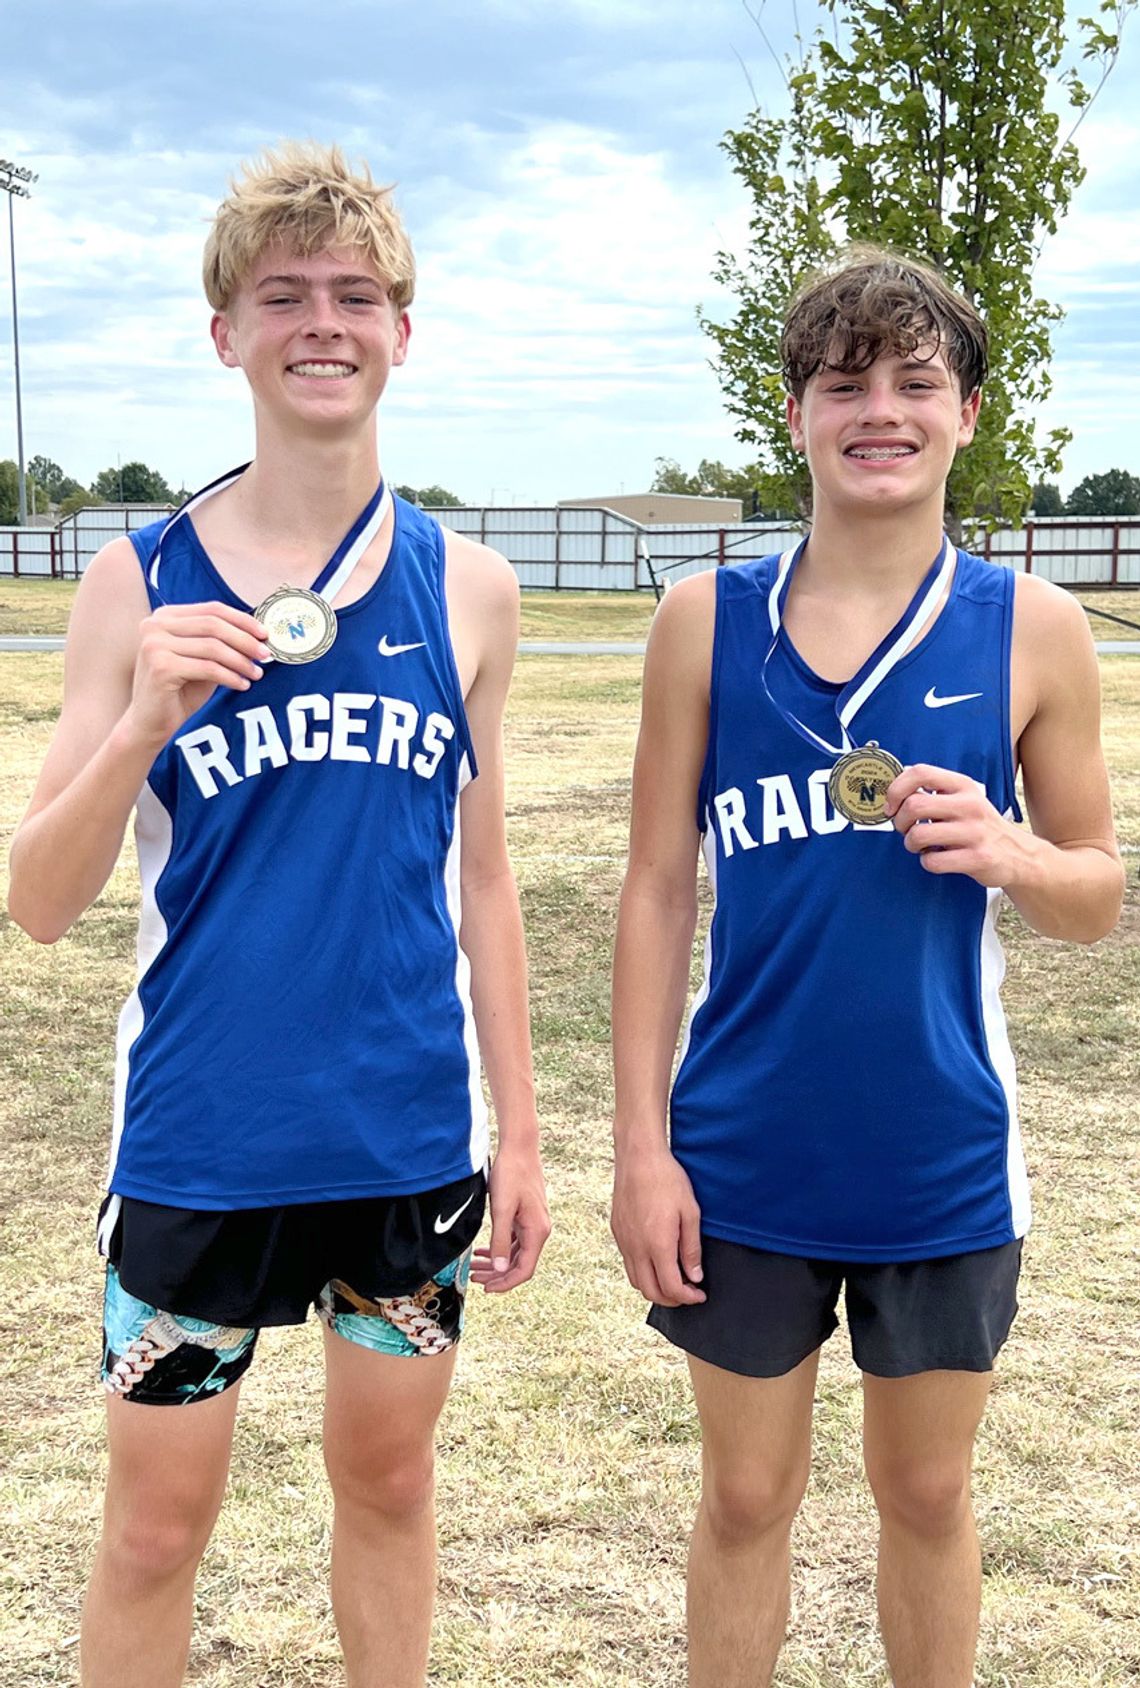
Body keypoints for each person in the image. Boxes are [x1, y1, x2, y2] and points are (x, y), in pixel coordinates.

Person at [8, 142, 549, 1688]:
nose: (325, 323)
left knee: (389, 1489)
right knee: (154, 1531)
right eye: (285, 295)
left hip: (401, 1145)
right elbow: (37, 902)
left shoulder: (471, 589)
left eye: (356, 296)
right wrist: (137, 720)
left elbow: (486, 879)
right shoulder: (138, 581)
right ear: (226, 334)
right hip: (201, 1142)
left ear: (401, 332)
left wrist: (524, 1131)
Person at [610, 247, 1122, 1688]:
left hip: (941, 1154)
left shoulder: (1033, 627)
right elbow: (655, 890)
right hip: (741, 1154)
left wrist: (1016, 854)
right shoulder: (703, 622)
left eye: (916, 382)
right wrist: (640, 1148)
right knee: (745, 1497)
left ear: (967, 413)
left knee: (930, 1497)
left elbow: (1098, 895)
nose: (880, 411)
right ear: (795, 415)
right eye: (846, 384)